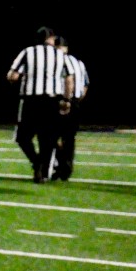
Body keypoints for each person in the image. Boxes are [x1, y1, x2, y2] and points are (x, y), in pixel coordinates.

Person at [6, 25, 73, 183]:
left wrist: (25, 77)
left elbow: (12, 75)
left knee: (22, 137)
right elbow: (69, 78)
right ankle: (43, 170)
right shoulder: (60, 55)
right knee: (47, 138)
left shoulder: (27, 52)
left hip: (31, 100)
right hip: (52, 100)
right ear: (51, 39)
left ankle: (36, 163)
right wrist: (66, 100)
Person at [51, 35, 89, 180]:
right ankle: (66, 167)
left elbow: (68, 81)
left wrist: (65, 100)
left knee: (51, 136)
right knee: (69, 138)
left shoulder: (58, 61)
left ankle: (60, 165)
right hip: (75, 102)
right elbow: (85, 84)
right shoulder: (79, 62)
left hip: (62, 101)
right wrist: (77, 99)